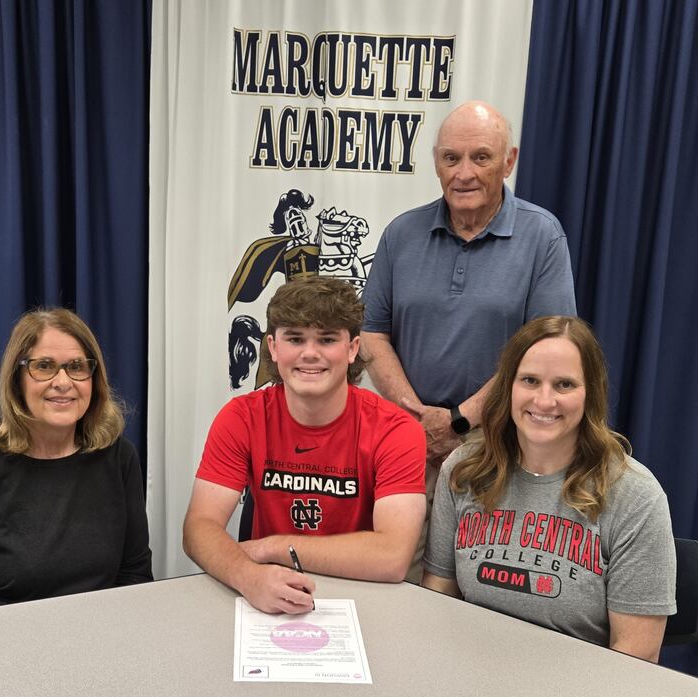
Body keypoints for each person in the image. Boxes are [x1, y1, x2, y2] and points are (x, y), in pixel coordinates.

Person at [361, 100, 577, 581]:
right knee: (399, 577)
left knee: (480, 580)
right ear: (436, 162)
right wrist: (416, 419)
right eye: (451, 158)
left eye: (481, 157)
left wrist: (459, 421)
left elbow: (548, 352)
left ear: (509, 161)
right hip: (408, 437)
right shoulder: (401, 233)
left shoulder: (542, 237)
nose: (463, 173)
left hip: (497, 442)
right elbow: (372, 332)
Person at [422, 316, 676, 662]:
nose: (544, 401)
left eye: (564, 385)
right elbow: (437, 601)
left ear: (591, 394)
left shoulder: (636, 496)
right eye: (530, 380)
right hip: (469, 670)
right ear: (508, 387)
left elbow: (637, 656)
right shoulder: (465, 470)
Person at [183, 276, 427, 614]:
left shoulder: (396, 429)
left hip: (362, 595)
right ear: (273, 348)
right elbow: (199, 527)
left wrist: (272, 548)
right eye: (295, 338)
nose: (310, 354)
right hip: (265, 590)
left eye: (327, 339)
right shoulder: (241, 417)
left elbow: (392, 557)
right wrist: (247, 576)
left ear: (352, 348)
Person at [0, 308, 153, 618]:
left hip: (97, 633)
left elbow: (135, 576)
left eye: (77, 367)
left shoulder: (118, 458)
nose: (63, 382)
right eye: (44, 366)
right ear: (16, 379)